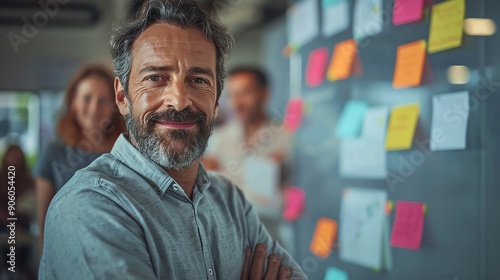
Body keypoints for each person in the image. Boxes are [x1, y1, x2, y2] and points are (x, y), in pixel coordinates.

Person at [39, 1, 307, 279]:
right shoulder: (91, 205)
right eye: (156, 78)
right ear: (122, 97)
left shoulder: (229, 200)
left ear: (216, 101)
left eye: (199, 80)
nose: (178, 101)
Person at [34, 64, 125, 256]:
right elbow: (44, 226)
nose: (94, 108)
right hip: (65, 255)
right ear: (73, 101)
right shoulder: (53, 153)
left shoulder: (126, 152)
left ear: (114, 106)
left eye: (102, 100)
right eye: (87, 98)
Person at [203, 66, 292, 242]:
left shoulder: (286, 136)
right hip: (229, 234)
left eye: (245, 93)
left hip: (273, 234)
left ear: (264, 94)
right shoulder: (218, 139)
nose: (237, 102)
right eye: (232, 95)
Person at [0, 145, 36, 280]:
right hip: (4, 226)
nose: (15, 160)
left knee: (22, 260)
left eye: (18, 157)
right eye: (12, 156)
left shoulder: (28, 180)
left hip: (23, 226)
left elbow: (33, 205)